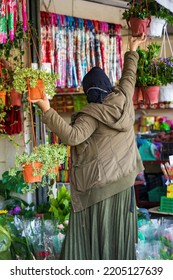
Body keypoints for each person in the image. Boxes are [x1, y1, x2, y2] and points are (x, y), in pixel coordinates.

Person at [32, 34, 146, 260]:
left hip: (100, 187)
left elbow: (73, 136)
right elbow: (129, 76)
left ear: (88, 92)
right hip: (125, 183)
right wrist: (132, 48)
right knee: (117, 236)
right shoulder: (123, 98)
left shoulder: (91, 114)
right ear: (108, 86)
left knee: (96, 237)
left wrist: (47, 109)